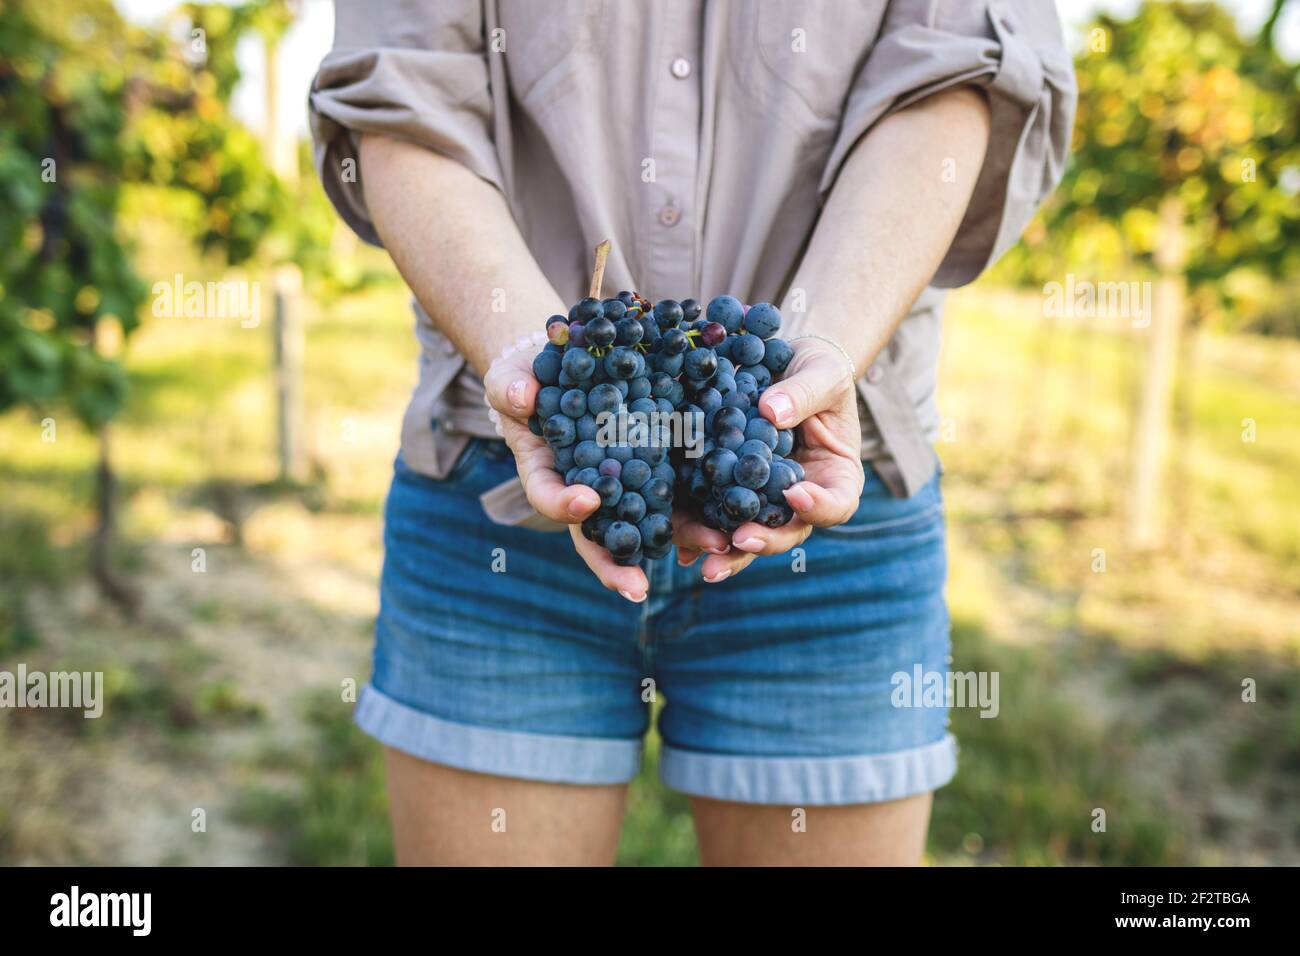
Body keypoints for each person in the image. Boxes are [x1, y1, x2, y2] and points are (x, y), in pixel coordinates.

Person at [309, 0, 1075, 866]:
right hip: (502, 500)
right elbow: (408, 102)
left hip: (823, 497)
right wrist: (542, 380)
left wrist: (824, 349)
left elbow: (949, 76)